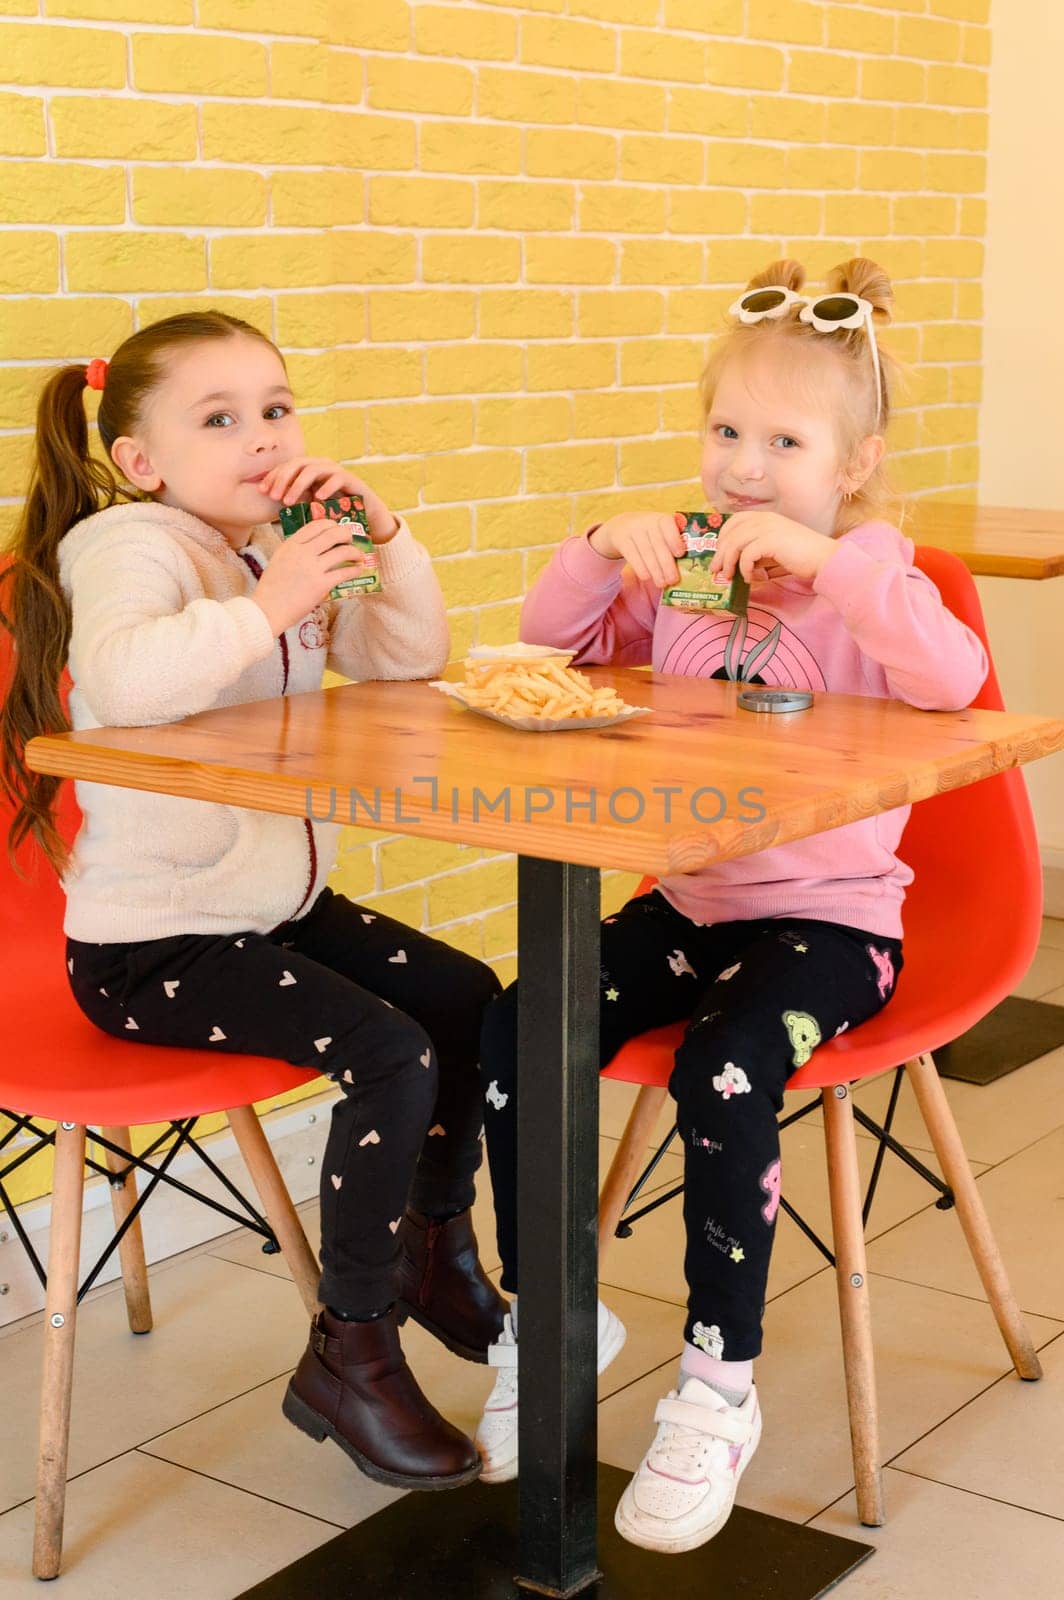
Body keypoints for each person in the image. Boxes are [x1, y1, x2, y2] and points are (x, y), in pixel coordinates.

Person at [474, 259, 989, 1551]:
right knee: (517, 1023)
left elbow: (957, 676)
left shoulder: (874, 577)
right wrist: (603, 549)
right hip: (693, 903)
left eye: (784, 441)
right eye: (724, 433)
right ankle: (554, 1315)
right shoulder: (689, 573)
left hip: (838, 924)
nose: (743, 468)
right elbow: (547, 642)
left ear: (855, 462)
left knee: (724, 1075)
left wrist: (842, 563)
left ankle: (717, 1384)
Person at [0, 310, 507, 1493]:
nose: (261, 437)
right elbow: (122, 682)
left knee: (466, 996)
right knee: (389, 1053)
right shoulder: (128, 543)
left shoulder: (266, 546)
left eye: (275, 409)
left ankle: (432, 1244)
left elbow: (403, 664)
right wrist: (275, 598)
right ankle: (351, 1347)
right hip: (148, 944)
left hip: (265, 909)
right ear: (142, 459)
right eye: (219, 419)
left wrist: (385, 536)